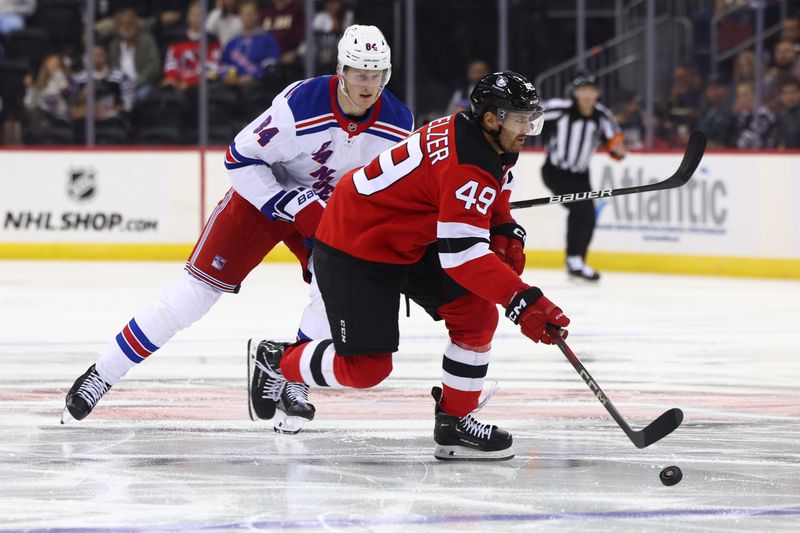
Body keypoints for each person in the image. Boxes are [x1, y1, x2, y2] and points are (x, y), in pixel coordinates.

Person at [62, 25, 414, 434]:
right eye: (359, 73)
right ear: (341, 70)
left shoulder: (398, 123)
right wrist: (286, 201)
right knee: (193, 295)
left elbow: (386, 189)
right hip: (261, 196)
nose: (368, 84)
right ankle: (102, 373)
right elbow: (239, 158)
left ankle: (293, 383)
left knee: (331, 291)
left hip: (327, 212)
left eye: (376, 74)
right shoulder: (300, 106)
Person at [248, 71, 570, 461]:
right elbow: (462, 257)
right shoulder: (467, 164)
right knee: (366, 369)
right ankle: (276, 360)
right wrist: (524, 301)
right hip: (356, 245)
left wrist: (506, 228)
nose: (528, 129)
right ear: (491, 118)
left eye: (530, 119)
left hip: (409, 241)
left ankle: (454, 422)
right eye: (521, 119)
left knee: (475, 313)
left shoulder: (479, 139)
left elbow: (494, 194)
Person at [539, 72, 625, 282]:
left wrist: (617, 148)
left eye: (591, 90)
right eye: (582, 90)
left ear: (597, 93)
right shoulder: (560, 108)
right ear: (575, 92)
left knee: (586, 215)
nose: (586, 95)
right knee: (582, 209)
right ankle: (575, 261)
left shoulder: (602, 115)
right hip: (556, 171)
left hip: (581, 174)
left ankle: (577, 261)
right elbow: (531, 117)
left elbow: (615, 144)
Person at [216, 0, 280, 88]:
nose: (247, 17)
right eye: (244, 14)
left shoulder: (268, 39)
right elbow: (224, 64)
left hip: (258, 85)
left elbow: (271, 66)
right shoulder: (232, 41)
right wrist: (226, 76)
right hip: (232, 85)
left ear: (257, 16)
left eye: (250, 14)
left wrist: (253, 76)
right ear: (240, 16)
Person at [161, 1, 222, 92]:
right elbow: (171, 63)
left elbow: (214, 68)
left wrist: (190, 83)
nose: (196, 18)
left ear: (205, 17)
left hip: (202, 87)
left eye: (199, 14)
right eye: (193, 14)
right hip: (178, 84)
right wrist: (171, 78)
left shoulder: (212, 40)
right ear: (188, 16)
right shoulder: (177, 39)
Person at [108, 8, 161, 104]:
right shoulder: (114, 46)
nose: (126, 27)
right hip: (121, 88)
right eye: (123, 24)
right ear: (118, 27)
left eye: (129, 24)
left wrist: (136, 82)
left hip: (143, 85)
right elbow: (113, 69)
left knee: (140, 96)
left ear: (136, 25)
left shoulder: (147, 41)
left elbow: (154, 66)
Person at [776, 77, 800, 148]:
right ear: (780, 96)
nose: (790, 97)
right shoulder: (776, 116)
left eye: (793, 92)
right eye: (786, 93)